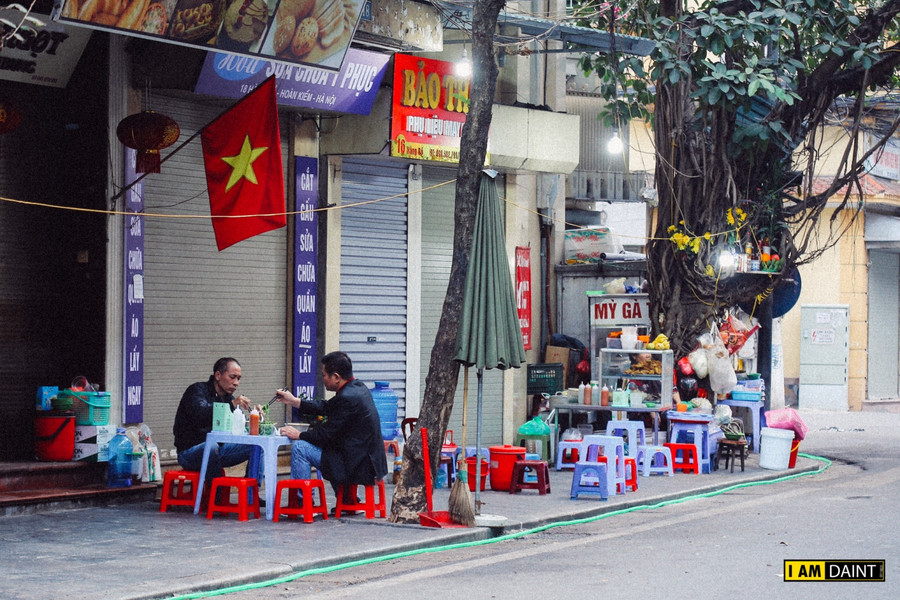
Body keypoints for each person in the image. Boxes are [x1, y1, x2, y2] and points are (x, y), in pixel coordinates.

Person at [276, 351, 387, 506]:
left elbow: (325, 435)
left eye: (324, 375)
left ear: (336, 377)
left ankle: (303, 503)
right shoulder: (358, 388)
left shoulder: (347, 397)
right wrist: (295, 401)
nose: (323, 380)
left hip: (357, 464)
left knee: (301, 448)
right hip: (363, 458)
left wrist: (299, 435)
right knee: (331, 449)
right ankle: (348, 500)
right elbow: (328, 407)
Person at [173, 357, 261, 479]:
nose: (236, 383)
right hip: (190, 453)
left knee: (259, 445)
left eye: (239, 378)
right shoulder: (197, 390)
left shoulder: (229, 398)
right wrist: (232, 405)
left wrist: (255, 416)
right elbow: (201, 414)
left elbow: (242, 427)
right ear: (218, 375)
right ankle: (215, 496)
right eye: (232, 377)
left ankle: (251, 493)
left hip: (220, 450)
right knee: (211, 446)